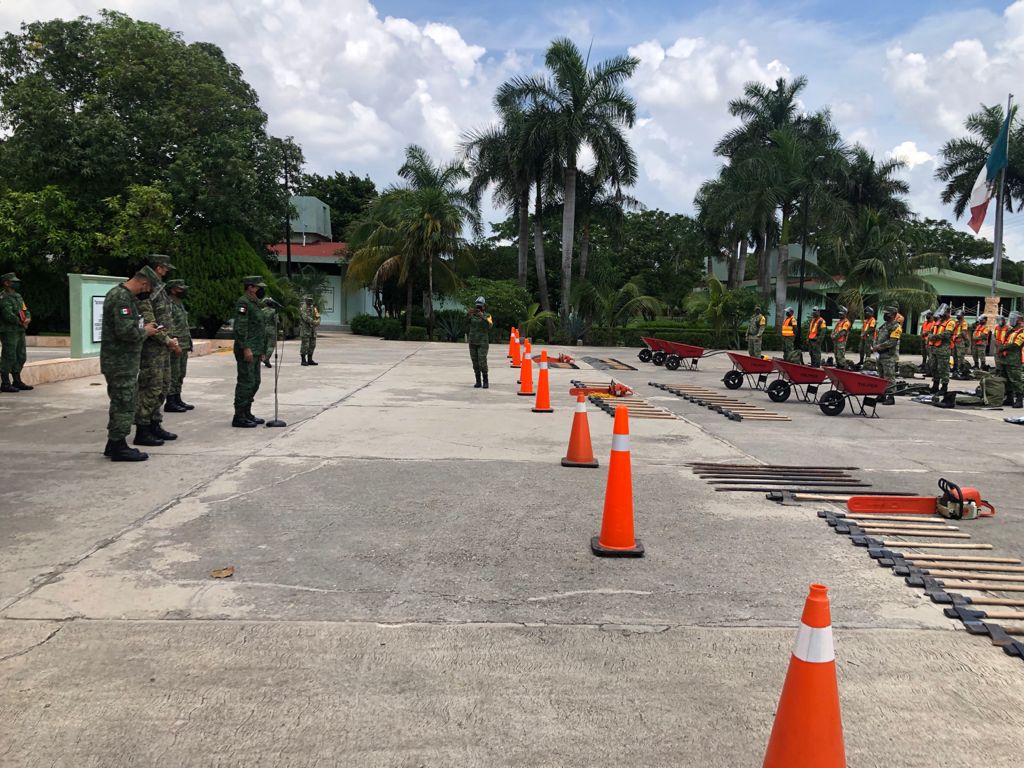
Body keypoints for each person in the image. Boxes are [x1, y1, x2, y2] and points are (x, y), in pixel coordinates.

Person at [101, 268, 160, 461]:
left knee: (120, 401)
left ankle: (113, 443)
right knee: (124, 403)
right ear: (144, 284)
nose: (147, 292)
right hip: (120, 362)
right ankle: (119, 447)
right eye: (149, 288)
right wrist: (146, 332)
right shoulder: (122, 298)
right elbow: (126, 332)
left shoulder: (120, 295)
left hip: (121, 362)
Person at [134, 255, 180, 447]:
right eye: (165, 268)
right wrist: (167, 339)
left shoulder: (159, 287)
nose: (167, 271)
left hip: (163, 346)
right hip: (152, 347)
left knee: (163, 386)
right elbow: (148, 319)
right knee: (150, 388)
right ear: (158, 267)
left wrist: (170, 339)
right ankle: (142, 430)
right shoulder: (146, 287)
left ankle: (154, 423)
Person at [232, 276, 268, 427]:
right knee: (246, 382)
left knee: (255, 382)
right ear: (250, 287)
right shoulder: (244, 302)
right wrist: (246, 348)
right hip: (246, 349)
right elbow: (240, 327)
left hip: (256, 349)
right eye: (258, 287)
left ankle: (247, 412)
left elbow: (260, 328)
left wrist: (262, 350)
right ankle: (239, 416)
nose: (260, 290)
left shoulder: (256, 304)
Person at [164, 279, 194, 413]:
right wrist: (173, 343)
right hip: (175, 344)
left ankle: (177, 398)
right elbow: (168, 326)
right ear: (172, 290)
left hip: (184, 343)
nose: (183, 291)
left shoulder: (179, 303)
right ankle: (170, 401)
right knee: (173, 373)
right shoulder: (168, 304)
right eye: (180, 289)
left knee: (181, 373)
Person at [0, 272, 32, 393]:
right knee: (9, 356)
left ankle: (17, 381)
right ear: (6, 283)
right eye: (13, 281)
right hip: (8, 331)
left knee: (21, 355)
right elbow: (8, 314)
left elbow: (25, 309)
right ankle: (5, 383)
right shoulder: (3, 297)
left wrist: (28, 318)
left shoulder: (18, 296)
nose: (16, 283)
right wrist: (20, 322)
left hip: (19, 330)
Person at [872, 306, 903, 403]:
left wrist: (878, 347)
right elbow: (878, 337)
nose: (885, 315)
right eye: (885, 313)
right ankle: (881, 395)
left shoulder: (896, 327)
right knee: (881, 377)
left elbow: (892, 342)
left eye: (887, 314)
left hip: (889, 356)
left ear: (893, 315)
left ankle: (890, 397)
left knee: (889, 377)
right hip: (880, 355)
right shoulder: (884, 325)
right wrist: (874, 346)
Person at [997, 311, 1024, 409]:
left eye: (1013, 318)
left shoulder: (1022, 331)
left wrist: (1003, 348)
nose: (1011, 320)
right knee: (1006, 380)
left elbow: (1016, 344)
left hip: (1014, 360)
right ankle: (1009, 398)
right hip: (1006, 359)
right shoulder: (1011, 330)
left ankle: (1019, 400)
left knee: (1016, 380)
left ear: (1019, 320)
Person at [928, 304, 956, 394]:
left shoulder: (950, 322)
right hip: (934, 348)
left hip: (943, 349)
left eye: (943, 313)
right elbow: (930, 332)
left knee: (943, 368)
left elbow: (947, 334)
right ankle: (935, 386)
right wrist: (930, 336)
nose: (941, 315)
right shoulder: (938, 322)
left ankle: (944, 387)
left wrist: (934, 337)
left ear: (948, 313)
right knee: (934, 367)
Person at [467, 296, 492, 388]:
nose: (478, 308)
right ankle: (478, 381)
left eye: (480, 306)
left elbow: (490, 325)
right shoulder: (472, 315)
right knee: (475, 362)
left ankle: (485, 381)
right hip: (473, 341)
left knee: (482, 361)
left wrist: (483, 316)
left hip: (483, 342)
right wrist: (468, 314)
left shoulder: (488, 315)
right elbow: (465, 322)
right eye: (477, 306)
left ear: (484, 307)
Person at [299, 295, 320, 366]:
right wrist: (314, 322)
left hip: (312, 330)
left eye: (311, 300)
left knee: (312, 344)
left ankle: (310, 359)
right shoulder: (303, 308)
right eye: (309, 300)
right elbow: (305, 317)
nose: (310, 301)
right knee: (305, 345)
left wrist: (318, 321)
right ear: (306, 300)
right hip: (305, 330)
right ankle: (303, 360)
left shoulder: (313, 308)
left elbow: (318, 315)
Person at [952, 310, 970, 377]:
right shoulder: (956, 323)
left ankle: (960, 370)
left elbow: (963, 333)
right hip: (955, 341)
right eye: (957, 315)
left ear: (962, 316)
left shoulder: (964, 323)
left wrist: (956, 336)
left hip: (960, 341)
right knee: (954, 356)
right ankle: (955, 369)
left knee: (960, 357)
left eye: (959, 315)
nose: (957, 316)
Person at [261, 298, 277, 369]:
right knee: (270, 346)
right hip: (271, 329)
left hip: (263, 329)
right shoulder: (274, 311)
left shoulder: (262, 311)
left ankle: (263, 357)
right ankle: (267, 359)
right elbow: (277, 321)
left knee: (264, 345)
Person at [993, 315, 1009, 381]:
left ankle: (1002, 373)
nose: (999, 322)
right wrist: (995, 341)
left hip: (1003, 346)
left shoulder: (1008, 328)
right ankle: (998, 371)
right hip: (997, 345)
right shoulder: (996, 327)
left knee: (1003, 359)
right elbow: (994, 335)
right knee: (996, 358)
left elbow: (1009, 338)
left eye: (1000, 321)